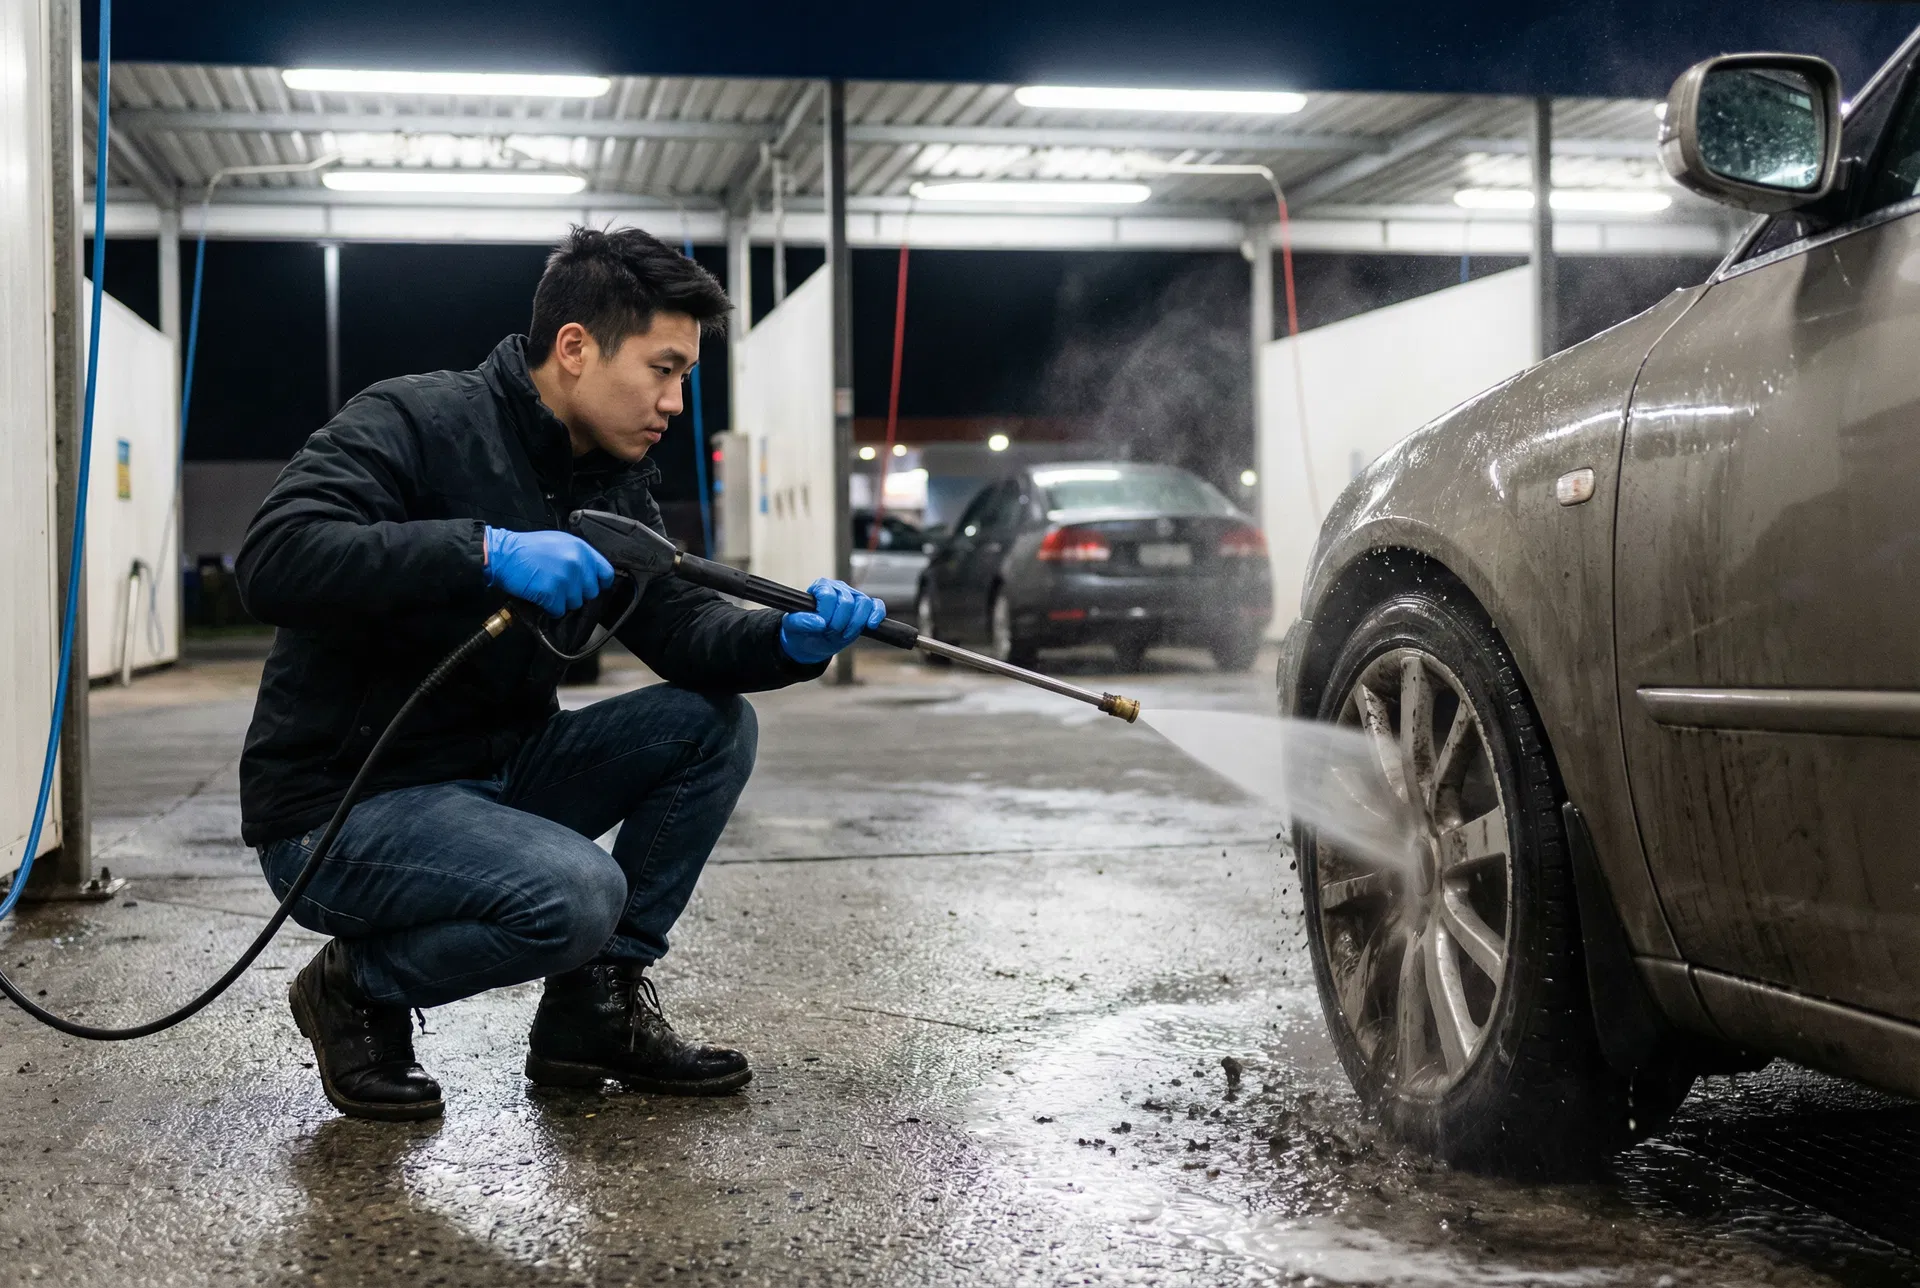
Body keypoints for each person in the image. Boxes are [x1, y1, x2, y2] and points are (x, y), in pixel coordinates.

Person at [235, 226, 881, 1122]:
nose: (675, 402)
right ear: (575, 347)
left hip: (498, 774)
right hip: (343, 807)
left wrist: (788, 641)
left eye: (685, 376)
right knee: (577, 894)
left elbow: (681, 629)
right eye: (662, 370)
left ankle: (592, 1012)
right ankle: (354, 987)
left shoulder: (611, 483)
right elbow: (275, 559)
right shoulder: (413, 419)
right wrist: (485, 552)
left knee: (710, 726)